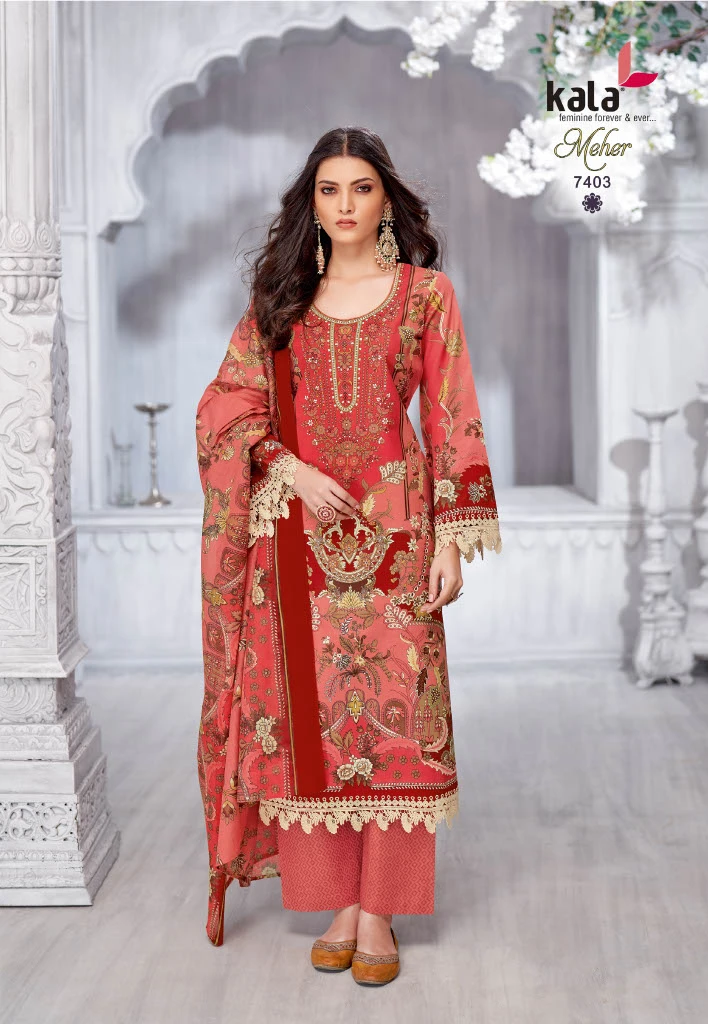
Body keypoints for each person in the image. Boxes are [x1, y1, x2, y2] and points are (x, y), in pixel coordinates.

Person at [195, 126, 502, 984]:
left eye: (361, 188)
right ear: (311, 203)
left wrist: (451, 541)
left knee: (397, 728)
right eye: (328, 190)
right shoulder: (281, 301)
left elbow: (453, 415)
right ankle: (336, 901)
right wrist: (288, 469)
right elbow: (225, 408)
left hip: (398, 542)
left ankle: (380, 912)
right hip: (298, 548)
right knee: (313, 728)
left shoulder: (425, 296)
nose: (345, 204)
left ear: (385, 199)